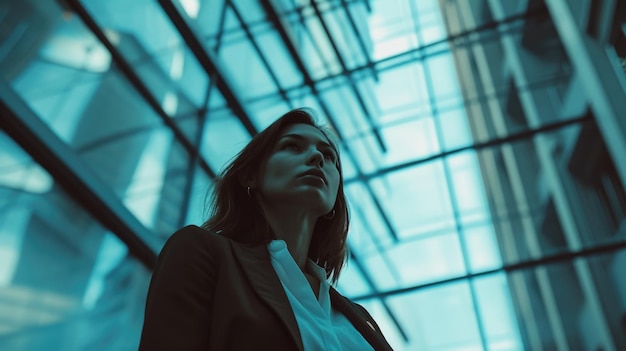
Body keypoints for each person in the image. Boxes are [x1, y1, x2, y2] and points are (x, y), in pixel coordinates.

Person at [138, 108, 393, 350]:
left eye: (329, 156)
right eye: (292, 146)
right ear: (251, 176)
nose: (317, 158)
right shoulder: (202, 253)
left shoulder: (359, 319)